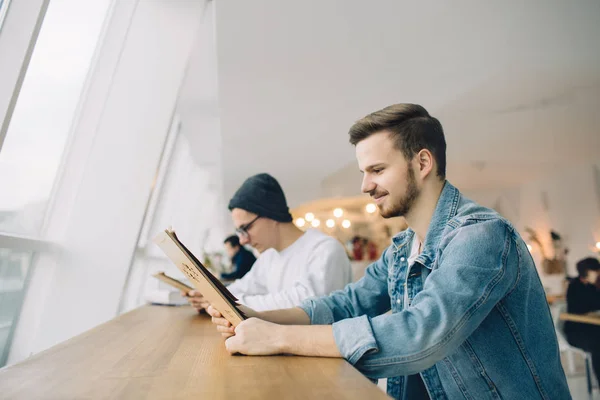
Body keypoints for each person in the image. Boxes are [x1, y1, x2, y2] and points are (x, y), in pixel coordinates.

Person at [207, 104, 570, 399]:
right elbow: (347, 304)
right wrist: (258, 315)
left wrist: (279, 337)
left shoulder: (481, 236)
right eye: (364, 172)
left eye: (377, 170)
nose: (366, 185)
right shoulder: (401, 249)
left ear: (423, 163)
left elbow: (420, 333)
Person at [186, 173, 352, 312]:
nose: (243, 240)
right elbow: (244, 287)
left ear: (270, 214)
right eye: (239, 232)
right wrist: (212, 297)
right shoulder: (269, 256)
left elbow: (307, 305)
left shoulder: (325, 250)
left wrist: (227, 303)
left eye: (246, 228)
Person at [565, 257, 600, 384]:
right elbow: (578, 309)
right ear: (586, 272)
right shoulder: (574, 286)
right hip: (577, 332)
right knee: (598, 346)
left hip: (593, 328)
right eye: (595, 270)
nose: (598, 272)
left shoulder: (593, 286)